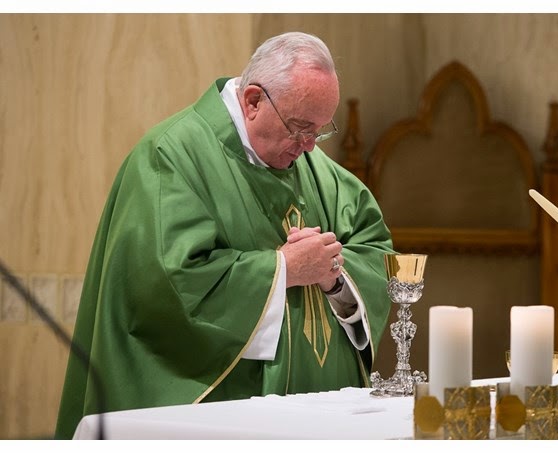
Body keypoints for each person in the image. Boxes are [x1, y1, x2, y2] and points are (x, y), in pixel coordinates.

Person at [55, 31, 394, 439]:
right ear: (253, 101)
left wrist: (334, 276)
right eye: (300, 128)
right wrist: (282, 269)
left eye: (320, 131)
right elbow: (165, 284)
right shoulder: (171, 156)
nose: (308, 148)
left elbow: (373, 250)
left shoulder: (320, 174)